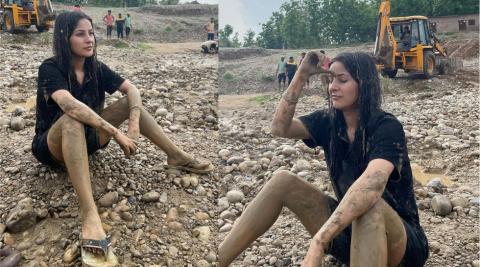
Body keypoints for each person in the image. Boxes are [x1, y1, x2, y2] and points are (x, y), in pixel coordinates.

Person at [32, 12, 213, 266]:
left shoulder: (95, 67)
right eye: (80, 34)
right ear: (64, 38)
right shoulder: (50, 68)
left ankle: (175, 155)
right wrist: (117, 132)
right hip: (52, 146)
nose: (90, 39)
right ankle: (90, 215)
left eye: (91, 32)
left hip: (87, 141)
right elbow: (69, 106)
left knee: (130, 103)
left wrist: (134, 122)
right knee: (72, 119)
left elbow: (132, 90)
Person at [219, 51, 429, 267]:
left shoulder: (386, 126)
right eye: (330, 80)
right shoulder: (329, 122)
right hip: (351, 235)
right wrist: (300, 75)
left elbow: (372, 185)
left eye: (342, 80)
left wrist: (320, 240)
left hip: (401, 245)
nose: (332, 87)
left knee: (369, 203)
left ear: (364, 84)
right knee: (282, 181)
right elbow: (279, 128)